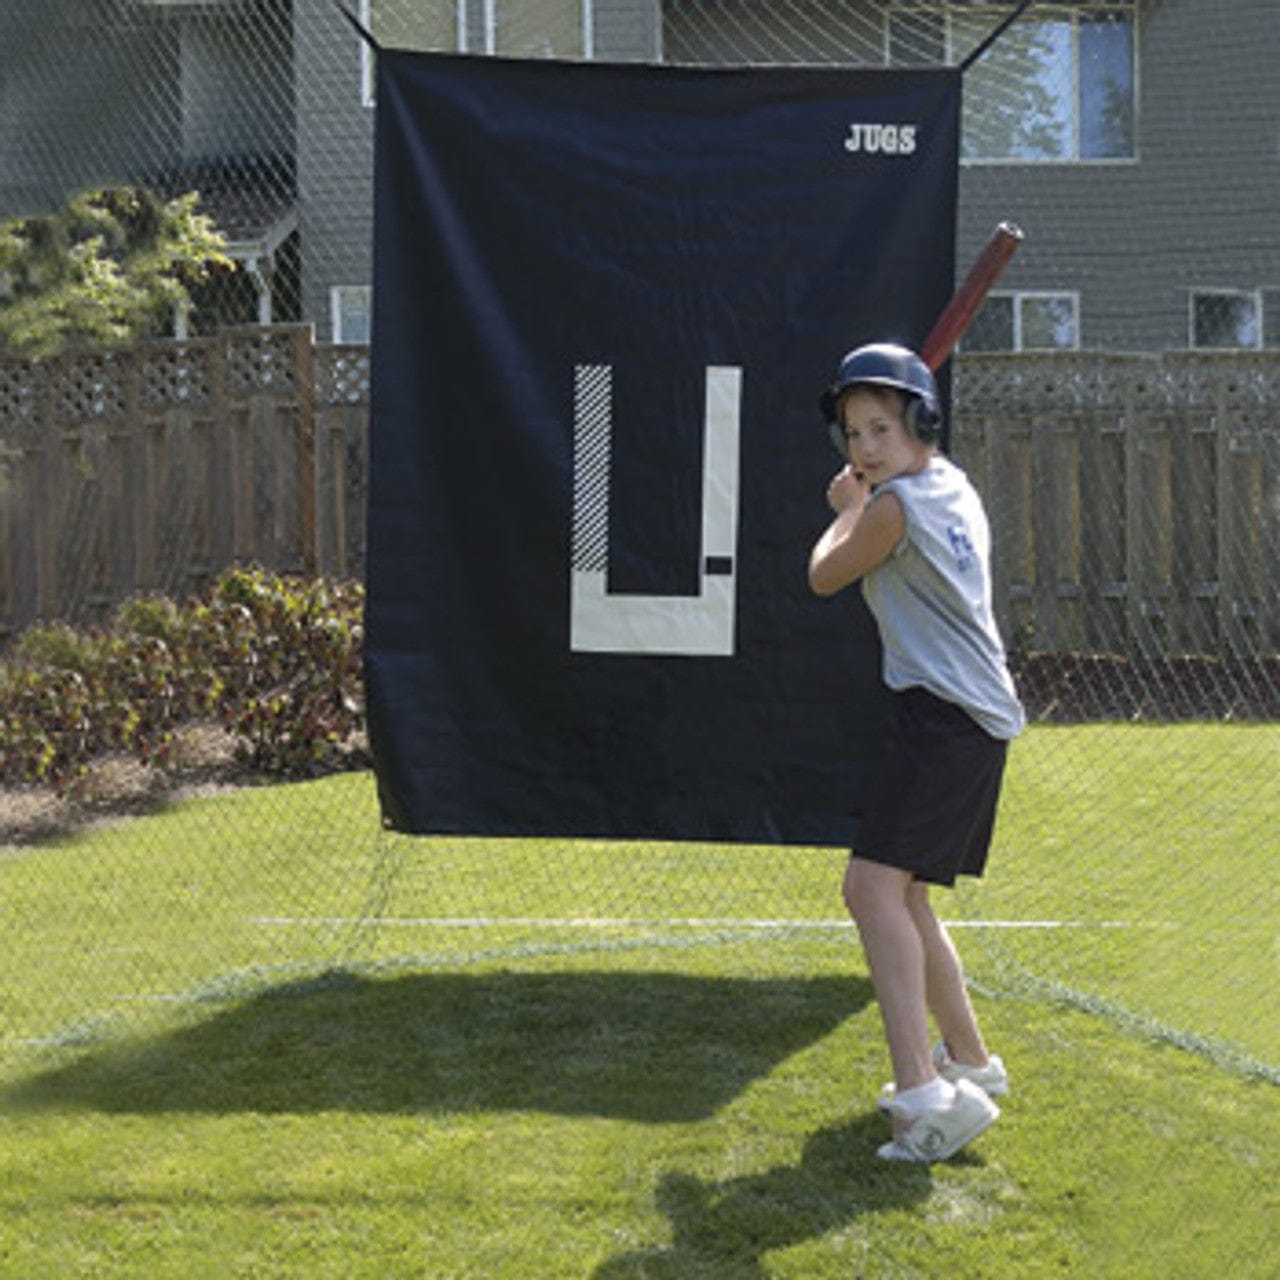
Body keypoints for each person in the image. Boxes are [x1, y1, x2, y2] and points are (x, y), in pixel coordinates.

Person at [807, 342, 1025, 1164]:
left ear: (921, 424)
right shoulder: (950, 483)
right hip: (969, 719)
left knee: (870, 890)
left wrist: (846, 509)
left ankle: (924, 1095)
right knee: (908, 897)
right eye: (854, 432)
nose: (865, 448)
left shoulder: (892, 508)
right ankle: (969, 1060)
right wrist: (869, 495)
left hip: (945, 718)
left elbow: (824, 576)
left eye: (882, 429)